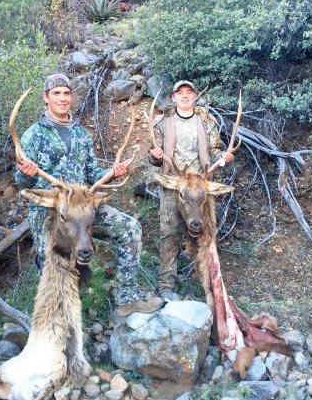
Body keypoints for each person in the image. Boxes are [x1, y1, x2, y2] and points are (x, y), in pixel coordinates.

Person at [15, 73, 162, 316]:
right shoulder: (33, 135)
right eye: (56, 93)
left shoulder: (81, 134)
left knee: (129, 229)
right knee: (53, 263)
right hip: (51, 211)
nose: (62, 98)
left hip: (83, 208)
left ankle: (126, 297)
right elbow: (20, 182)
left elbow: (93, 173)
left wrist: (112, 173)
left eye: (66, 93)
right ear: (46, 98)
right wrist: (26, 174)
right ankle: (57, 316)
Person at [149, 80, 234, 298]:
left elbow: (215, 149)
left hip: (200, 186)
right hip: (174, 183)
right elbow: (154, 154)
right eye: (180, 93)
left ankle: (204, 281)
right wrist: (154, 156)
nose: (185, 96)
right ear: (174, 97)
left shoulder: (206, 121)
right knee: (170, 233)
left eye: (189, 92)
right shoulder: (162, 122)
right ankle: (166, 285)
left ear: (195, 96)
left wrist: (223, 157)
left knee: (205, 233)